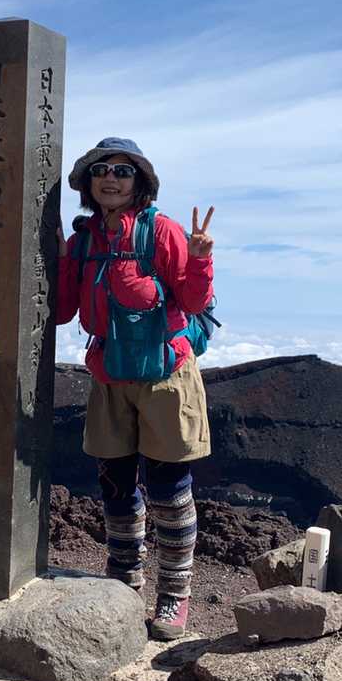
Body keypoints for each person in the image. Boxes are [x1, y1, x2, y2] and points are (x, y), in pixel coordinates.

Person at [57, 136, 214, 640]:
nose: (110, 177)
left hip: (166, 377)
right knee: (116, 487)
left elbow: (192, 302)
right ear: (87, 183)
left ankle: (174, 593)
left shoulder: (161, 231)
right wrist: (58, 259)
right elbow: (62, 310)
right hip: (110, 377)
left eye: (122, 171)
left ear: (140, 181)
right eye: (101, 169)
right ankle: (124, 580)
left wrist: (199, 258)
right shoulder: (84, 241)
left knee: (169, 491)